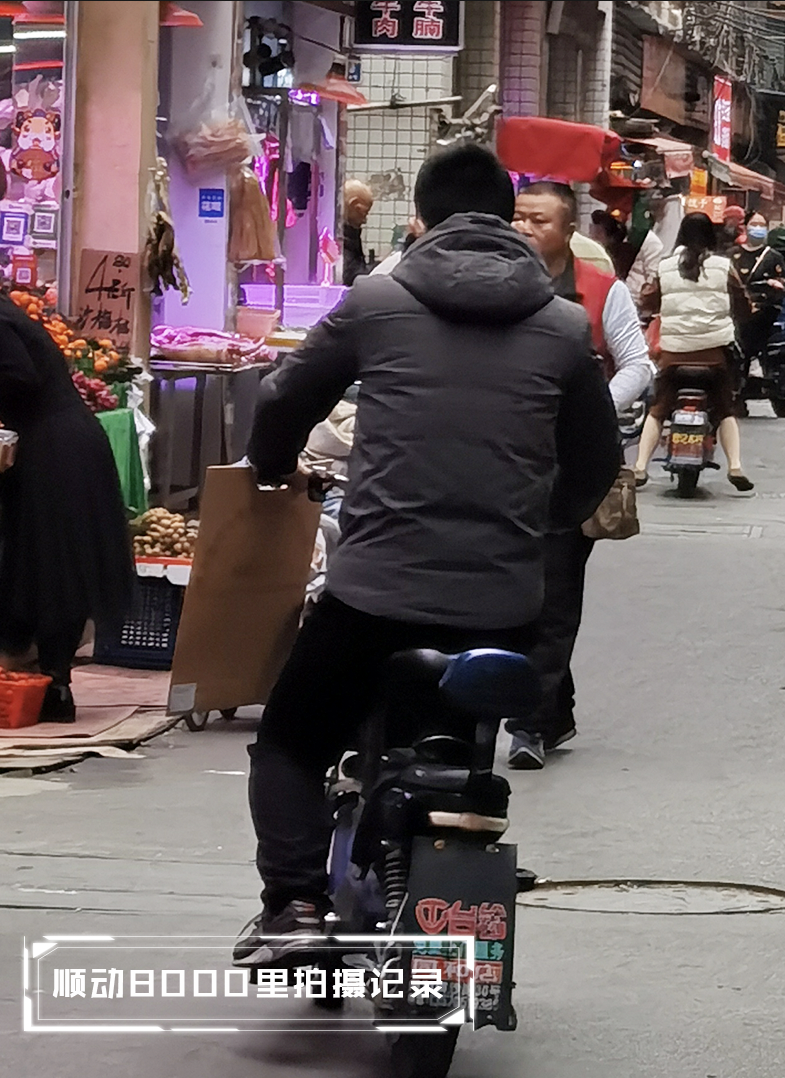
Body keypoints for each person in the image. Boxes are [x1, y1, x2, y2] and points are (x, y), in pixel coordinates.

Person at [232, 144, 620, 966]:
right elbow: (594, 466)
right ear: (511, 222)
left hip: (372, 596)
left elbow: (282, 395)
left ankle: (296, 903)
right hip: (505, 606)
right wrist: (534, 523)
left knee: (292, 739)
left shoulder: (377, 301)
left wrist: (269, 467)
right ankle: (458, 867)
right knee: (463, 737)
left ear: (424, 218)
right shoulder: (560, 326)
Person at [508, 181, 655, 770]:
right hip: (496, 459)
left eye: (537, 220)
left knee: (553, 591)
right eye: (516, 216)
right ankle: (553, 706)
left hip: (565, 467)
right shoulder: (487, 281)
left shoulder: (601, 290)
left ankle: (530, 724)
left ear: (567, 230)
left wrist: (590, 413)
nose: (523, 228)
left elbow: (638, 364)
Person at [0, 237, 131, 721]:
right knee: (52, 565)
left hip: (55, 446)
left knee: (51, 568)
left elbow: (19, 378)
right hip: (60, 440)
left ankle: (54, 684)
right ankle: (50, 682)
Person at [632, 211, 753, 491]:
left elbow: (648, 300)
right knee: (725, 410)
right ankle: (735, 466)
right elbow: (742, 304)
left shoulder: (666, 267)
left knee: (658, 409)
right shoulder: (724, 267)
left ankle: (639, 468)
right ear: (711, 235)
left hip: (673, 356)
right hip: (714, 357)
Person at [731, 210, 785, 365]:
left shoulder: (774, 257)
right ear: (745, 227)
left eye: (762, 225)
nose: (758, 228)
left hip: (764, 310)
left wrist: (771, 286)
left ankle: (754, 359)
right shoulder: (732, 254)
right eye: (754, 224)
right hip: (735, 308)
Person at [341, 179, 374, 285]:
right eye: (363, 213)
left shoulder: (351, 234)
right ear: (352, 204)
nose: (364, 221)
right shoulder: (342, 238)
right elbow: (352, 276)